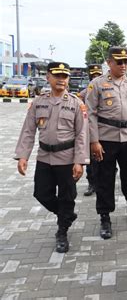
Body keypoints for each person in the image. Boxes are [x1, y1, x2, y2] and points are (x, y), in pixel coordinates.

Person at [14, 62, 89, 253]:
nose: (61, 80)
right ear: (48, 77)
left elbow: (82, 134)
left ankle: (62, 231)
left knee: (67, 196)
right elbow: (28, 131)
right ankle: (66, 215)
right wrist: (23, 156)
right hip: (44, 157)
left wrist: (80, 162)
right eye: (57, 76)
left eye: (64, 76)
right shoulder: (38, 102)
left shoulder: (76, 104)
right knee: (41, 193)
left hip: (67, 158)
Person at [85, 46, 127, 240]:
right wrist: (94, 141)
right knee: (104, 179)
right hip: (105, 140)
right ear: (109, 62)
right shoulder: (97, 84)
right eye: (119, 62)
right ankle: (105, 216)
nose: (124, 65)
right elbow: (90, 114)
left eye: (126, 62)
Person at [79, 64, 102, 197]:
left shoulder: (107, 87)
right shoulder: (87, 90)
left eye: (98, 75)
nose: (95, 77)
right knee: (91, 160)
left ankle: (103, 182)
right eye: (93, 75)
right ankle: (91, 183)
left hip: (105, 129)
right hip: (90, 129)